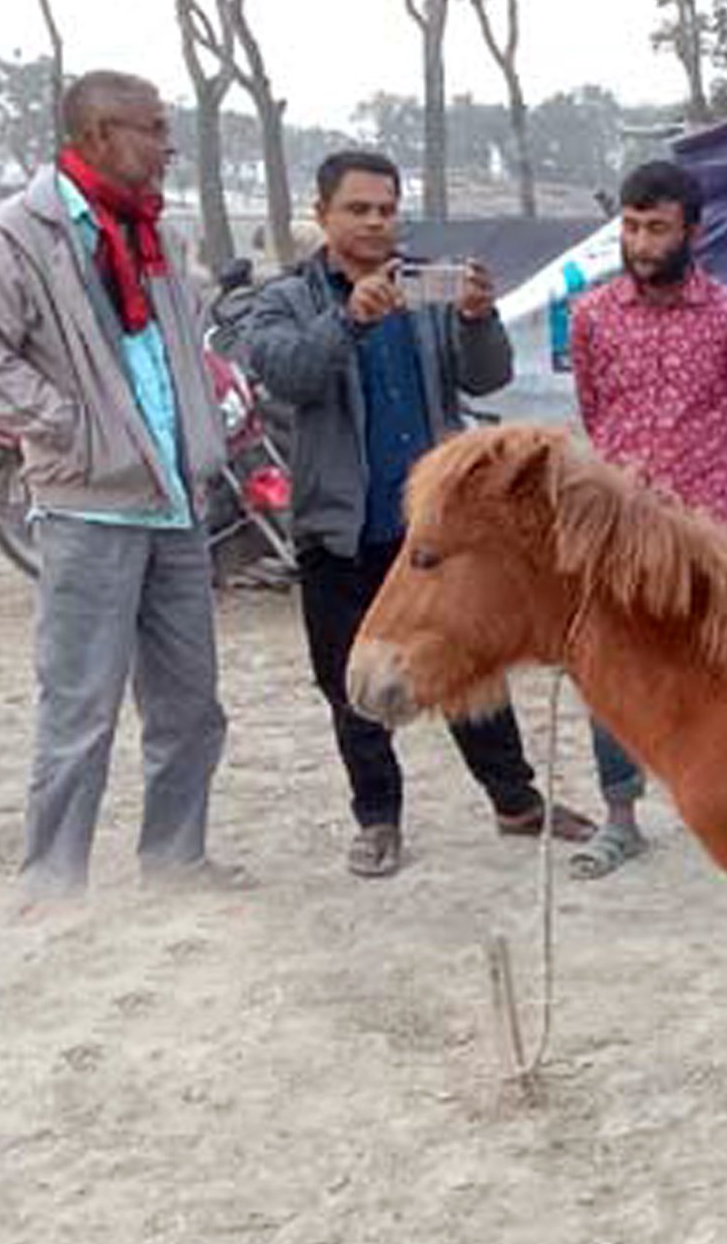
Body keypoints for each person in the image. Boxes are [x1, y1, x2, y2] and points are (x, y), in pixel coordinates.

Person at [0, 70, 244, 904]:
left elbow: (175, 351)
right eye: (154, 127)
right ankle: (53, 882)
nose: (169, 143)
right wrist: (79, 428)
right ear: (101, 134)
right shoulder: (17, 236)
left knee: (190, 706)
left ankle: (175, 861)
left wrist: (204, 421)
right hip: (87, 507)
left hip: (178, 503)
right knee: (81, 711)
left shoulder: (157, 236)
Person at [246, 150, 592, 879]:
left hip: (437, 531)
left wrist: (475, 317)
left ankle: (515, 801)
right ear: (323, 216)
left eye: (387, 208)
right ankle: (377, 819)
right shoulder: (288, 300)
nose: (376, 222)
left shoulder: (428, 287)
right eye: (359, 209)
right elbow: (288, 375)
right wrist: (348, 320)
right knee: (352, 681)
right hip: (343, 527)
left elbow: (488, 373)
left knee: (473, 664)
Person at [564, 159, 727, 879]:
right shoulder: (591, 316)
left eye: (658, 228)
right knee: (608, 670)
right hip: (615, 534)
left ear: (693, 231)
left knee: (716, 672)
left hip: (707, 533)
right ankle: (621, 817)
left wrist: (703, 498)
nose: (642, 243)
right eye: (631, 227)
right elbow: (595, 413)